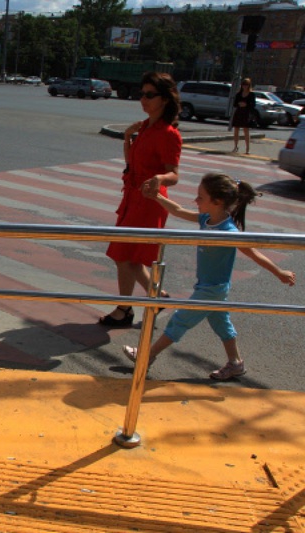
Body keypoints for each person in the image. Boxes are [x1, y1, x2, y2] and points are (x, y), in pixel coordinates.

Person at [123, 173, 296, 380]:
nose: (196, 201)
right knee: (221, 324)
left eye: (200, 197)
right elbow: (178, 210)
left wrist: (279, 272)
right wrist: (157, 197)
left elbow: (253, 253)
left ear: (218, 201)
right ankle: (235, 363)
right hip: (209, 286)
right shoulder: (207, 219)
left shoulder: (228, 232)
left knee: (180, 321)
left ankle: (147, 356)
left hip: (212, 289)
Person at [99, 71, 182, 328]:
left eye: (149, 95)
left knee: (128, 257)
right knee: (123, 255)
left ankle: (136, 305)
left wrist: (159, 177)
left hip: (149, 201)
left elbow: (174, 175)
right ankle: (140, 303)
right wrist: (127, 138)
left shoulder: (168, 134)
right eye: (141, 94)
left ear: (165, 99)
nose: (143, 100)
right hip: (133, 197)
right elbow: (130, 162)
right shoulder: (144, 127)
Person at [232, 78, 255, 154]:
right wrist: (239, 104)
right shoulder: (238, 94)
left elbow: (253, 105)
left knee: (246, 130)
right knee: (236, 129)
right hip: (239, 112)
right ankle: (235, 146)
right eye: (243, 85)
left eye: (246, 85)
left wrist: (246, 104)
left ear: (249, 86)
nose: (245, 86)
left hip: (246, 113)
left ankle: (247, 148)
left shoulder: (251, 94)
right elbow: (234, 104)